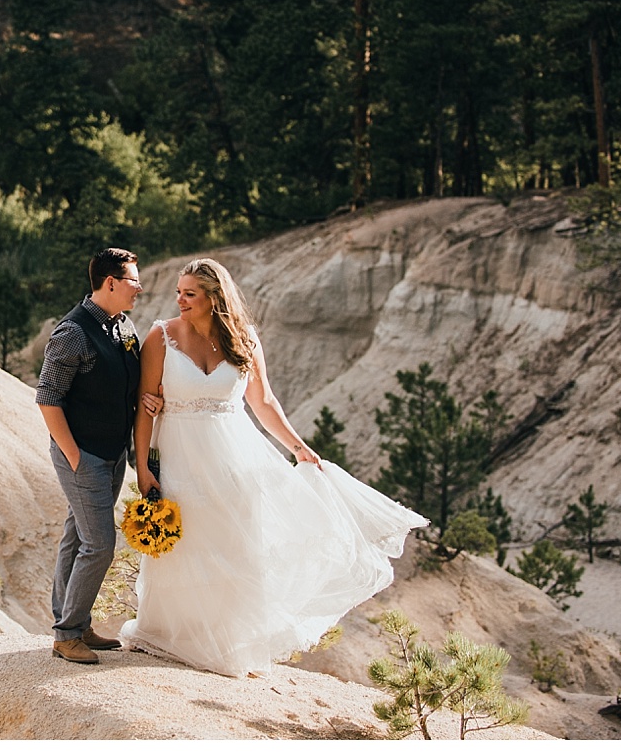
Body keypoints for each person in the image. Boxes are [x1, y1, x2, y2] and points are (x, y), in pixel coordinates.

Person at [119, 257, 428, 677]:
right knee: (184, 545)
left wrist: (298, 447)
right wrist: (142, 467)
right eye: (179, 292)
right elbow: (144, 407)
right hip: (180, 454)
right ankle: (166, 634)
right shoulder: (161, 336)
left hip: (236, 456)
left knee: (235, 547)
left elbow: (263, 402)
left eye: (189, 293)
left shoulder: (243, 339)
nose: (180, 299)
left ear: (214, 298)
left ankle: (228, 642)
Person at [35, 247, 153, 664]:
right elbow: (48, 398)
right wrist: (74, 456)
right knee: (100, 543)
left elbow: (126, 379)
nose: (139, 287)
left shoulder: (123, 325)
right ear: (111, 283)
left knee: (77, 535)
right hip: (83, 453)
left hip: (112, 452)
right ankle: (66, 635)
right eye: (134, 280)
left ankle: (74, 623)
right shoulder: (73, 332)